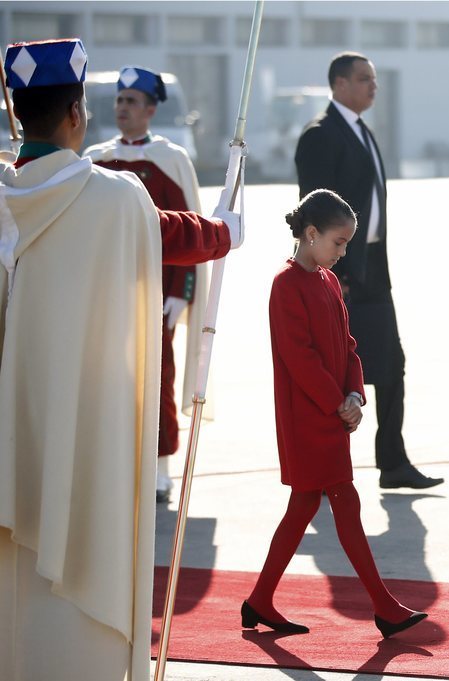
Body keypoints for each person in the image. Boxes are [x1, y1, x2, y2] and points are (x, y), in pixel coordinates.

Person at [0, 39, 240, 681]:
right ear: (78, 113)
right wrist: (226, 229)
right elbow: (173, 232)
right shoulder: (114, 194)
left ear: (18, 115)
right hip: (82, 424)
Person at [243, 189, 427, 639]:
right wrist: (337, 402)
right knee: (345, 502)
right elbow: (298, 357)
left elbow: (347, 345)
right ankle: (384, 607)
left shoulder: (326, 281)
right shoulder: (286, 285)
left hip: (331, 414)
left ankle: (259, 600)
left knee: (304, 505)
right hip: (308, 419)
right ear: (310, 235)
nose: (343, 252)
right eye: (338, 242)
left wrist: (355, 394)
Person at [295, 52, 441, 490]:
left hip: (372, 268)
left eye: (374, 80)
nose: (372, 87)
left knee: (391, 364)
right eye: (364, 80)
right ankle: (317, 470)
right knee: (328, 375)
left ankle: (393, 463)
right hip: (337, 272)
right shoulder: (321, 135)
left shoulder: (362, 132)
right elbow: (313, 212)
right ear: (339, 84)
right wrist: (328, 271)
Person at [84, 65, 208, 503]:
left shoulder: (170, 158)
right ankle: (113, 463)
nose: (122, 108)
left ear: (151, 109)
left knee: (158, 380)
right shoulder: (95, 158)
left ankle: (160, 468)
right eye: (119, 101)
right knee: (108, 378)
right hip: (109, 291)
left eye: (131, 102)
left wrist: (181, 294)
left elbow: (190, 231)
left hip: (157, 291)